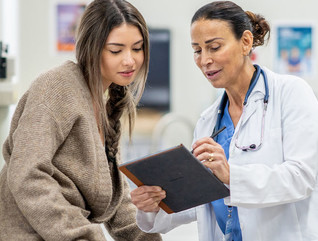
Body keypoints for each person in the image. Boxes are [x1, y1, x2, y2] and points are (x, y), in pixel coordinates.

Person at [130, 1, 318, 241]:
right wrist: (153, 205)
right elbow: (201, 201)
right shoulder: (208, 121)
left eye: (214, 47)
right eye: (197, 50)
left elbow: (301, 178)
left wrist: (231, 176)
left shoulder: (291, 93)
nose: (204, 60)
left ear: (246, 42)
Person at [0, 0, 162, 240]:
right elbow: (27, 174)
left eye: (137, 48)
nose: (130, 60)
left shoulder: (103, 103)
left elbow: (115, 201)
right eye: (116, 50)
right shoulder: (56, 87)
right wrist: (83, 235)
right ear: (91, 48)